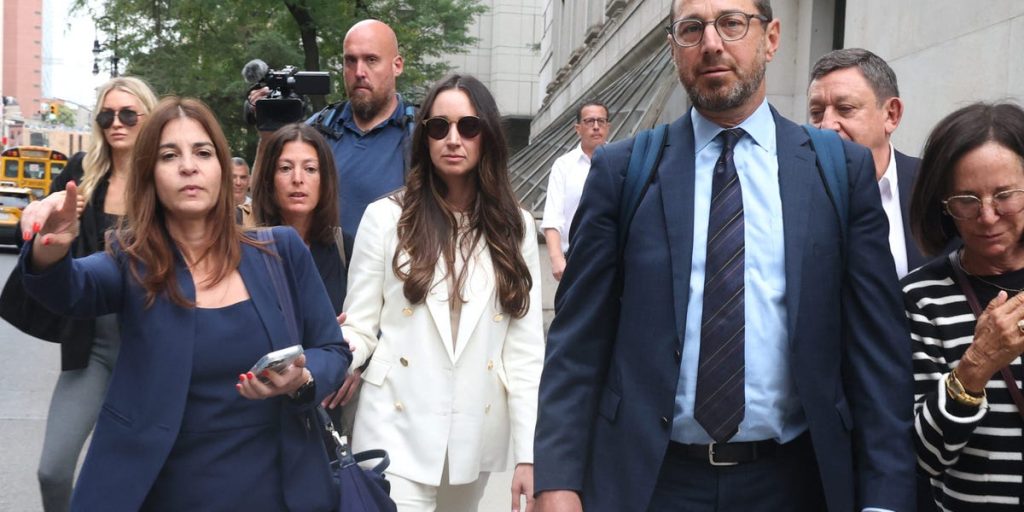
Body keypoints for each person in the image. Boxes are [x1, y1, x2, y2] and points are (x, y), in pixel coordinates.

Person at [533, 0, 915, 511]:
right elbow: (577, 342)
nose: (711, 43)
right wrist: (557, 480)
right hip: (651, 484)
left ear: (771, 39)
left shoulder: (839, 171)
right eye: (691, 29)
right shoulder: (623, 172)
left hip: (795, 483)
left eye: (732, 23)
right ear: (673, 48)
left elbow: (878, 353)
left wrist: (885, 497)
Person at [18, 97, 350, 511]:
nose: (188, 166)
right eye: (169, 155)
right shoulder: (129, 260)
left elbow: (332, 350)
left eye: (203, 152)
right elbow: (67, 289)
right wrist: (50, 246)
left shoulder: (280, 251)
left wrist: (301, 378)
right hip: (162, 491)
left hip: (277, 488)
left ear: (222, 169)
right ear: (149, 175)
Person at [341, 74, 544, 512]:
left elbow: (525, 352)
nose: (453, 139)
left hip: (473, 432)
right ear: (425, 137)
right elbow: (360, 325)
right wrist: (330, 356)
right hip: (393, 424)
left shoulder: (516, 227)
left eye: (468, 127)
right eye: (439, 127)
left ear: (487, 136)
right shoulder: (385, 218)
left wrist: (528, 453)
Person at [32, 76, 158, 512]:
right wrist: (42, 217)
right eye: (106, 116)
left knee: (152, 478)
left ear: (149, 118)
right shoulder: (82, 174)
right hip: (92, 346)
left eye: (128, 114)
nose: (116, 123)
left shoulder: (164, 178)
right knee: (53, 470)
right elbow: (46, 219)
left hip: (154, 344)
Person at [902, 102, 1024, 511]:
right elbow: (924, 458)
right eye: (967, 200)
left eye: (1005, 195)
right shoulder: (921, 297)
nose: (987, 216)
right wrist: (977, 364)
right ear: (943, 205)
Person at [248, 19, 411, 258]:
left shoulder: (422, 134)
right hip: (321, 274)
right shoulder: (318, 128)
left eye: (371, 60)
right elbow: (263, 199)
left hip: (394, 274)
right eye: (350, 61)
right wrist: (267, 138)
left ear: (397, 66)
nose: (359, 72)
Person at [808, 48, 925, 277]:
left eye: (845, 109)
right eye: (816, 112)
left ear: (891, 115)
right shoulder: (793, 190)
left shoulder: (932, 185)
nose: (827, 125)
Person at [250, 123, 344, 314]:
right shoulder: (246, 249)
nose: (298, 179)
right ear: (269, 178)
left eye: (310, 169)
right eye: (285, 168)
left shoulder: (343, 248)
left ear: (325, 179)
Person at [540, 100, 610, 280]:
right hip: (574, 260)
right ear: (577, 128)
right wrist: (557, 259)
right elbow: (552, 218)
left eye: (601, 121)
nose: (596, 126)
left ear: (608, 127)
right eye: (589, 121)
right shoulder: (563, 166)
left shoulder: (623, 161)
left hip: (613, 259)